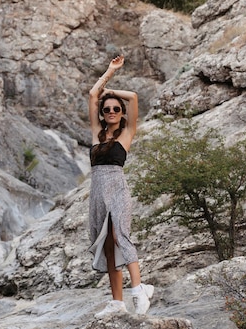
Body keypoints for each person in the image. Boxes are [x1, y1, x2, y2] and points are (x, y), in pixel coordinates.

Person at [87, 55, 154, 318]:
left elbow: (134, 97)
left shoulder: (127, 134)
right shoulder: (97, 134)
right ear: (102, 115)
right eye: (107, 110)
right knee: (106, 245)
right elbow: (93, 93)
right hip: (97, 193)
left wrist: (111, 91)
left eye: (116, 109)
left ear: (121, 113)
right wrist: (109, 71)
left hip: (117, 190)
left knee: (119, 237)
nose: (112, 112)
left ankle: (138, 291)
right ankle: (117, 302)